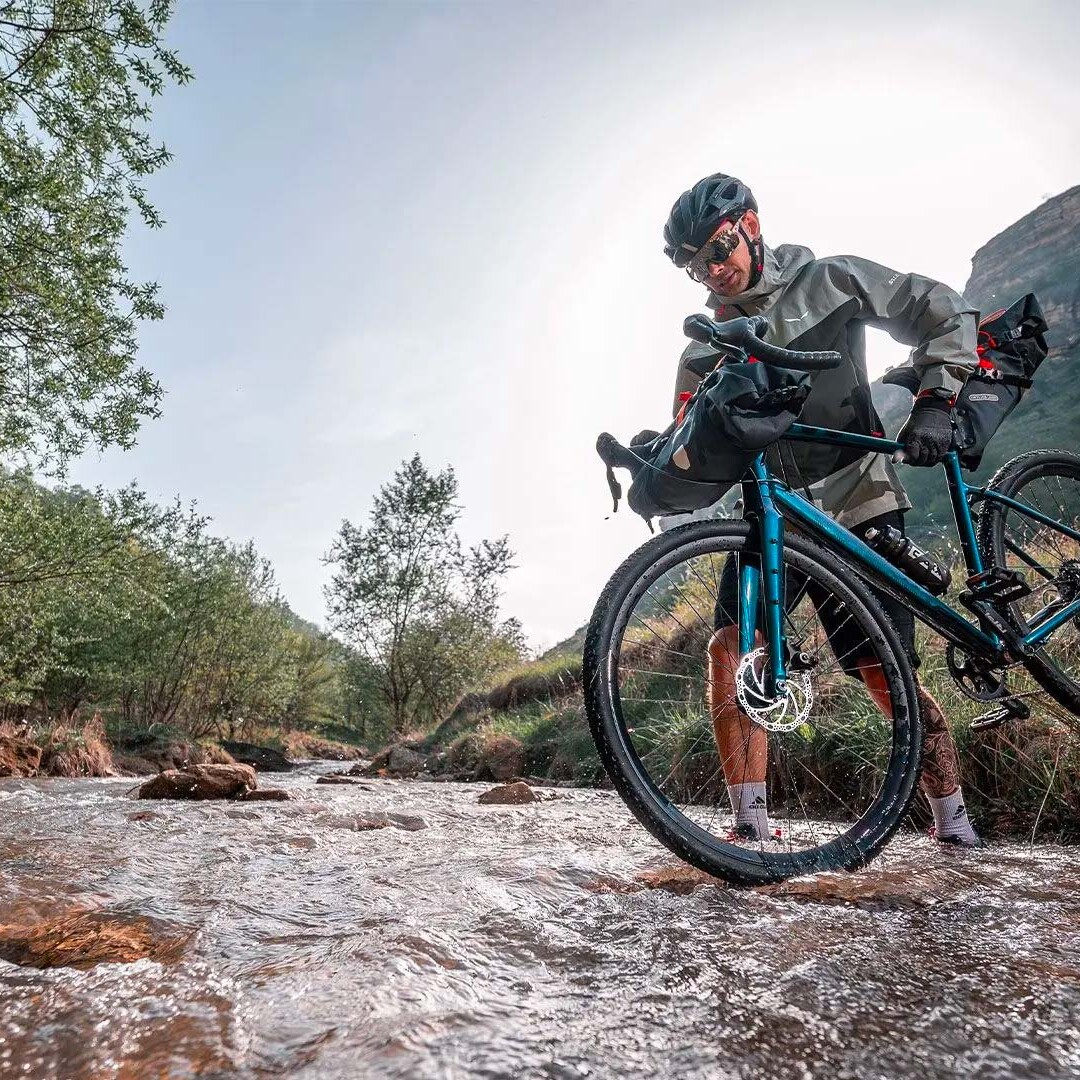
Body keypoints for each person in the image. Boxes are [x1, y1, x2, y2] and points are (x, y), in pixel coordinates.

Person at [663, 172, 981, 847]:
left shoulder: (831, 280)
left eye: (718, 249)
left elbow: (943, 308)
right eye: (696, 266)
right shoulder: (700, 351)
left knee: (883, 674)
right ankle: (748, 830)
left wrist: (936, 399)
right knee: (730, 651)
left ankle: (955, 826)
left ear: (749, 224)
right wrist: (654, 462)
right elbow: (686, 446)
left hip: (858, 495)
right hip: (770, 513)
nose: (713, 271)